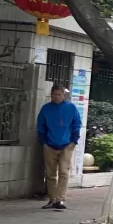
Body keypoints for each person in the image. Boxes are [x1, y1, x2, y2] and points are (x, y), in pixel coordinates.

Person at [37, 81, 81, 210]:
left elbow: (76, 124)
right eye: (54, 94)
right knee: (50, 173)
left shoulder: (71, 108)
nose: (56, 97)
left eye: (59, 94)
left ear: (63, 95)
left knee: (63, 172)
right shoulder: (46, 109)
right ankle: (52, 199)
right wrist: (44, 143)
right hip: (49, 144)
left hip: (66, 144)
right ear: (51, 95)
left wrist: (73, 141)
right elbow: (40, 126)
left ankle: (60, 199)